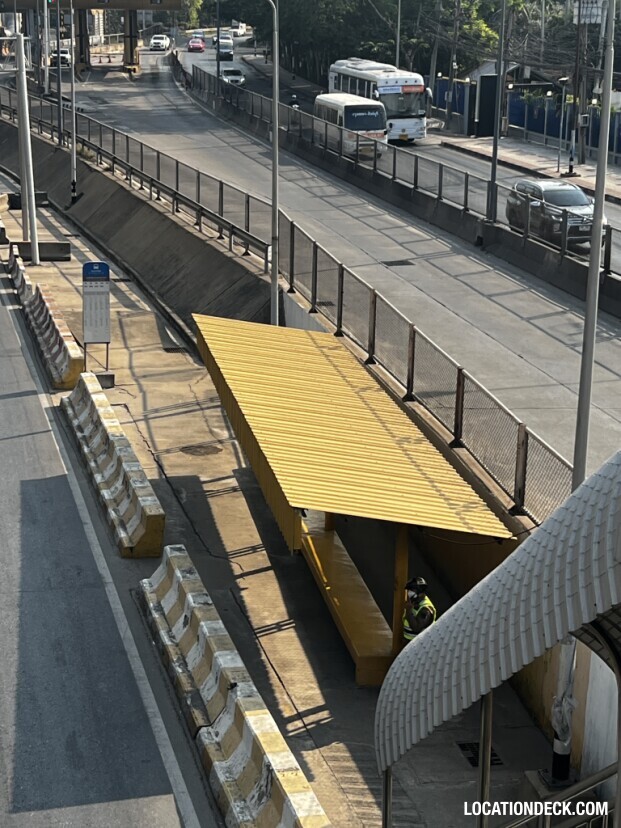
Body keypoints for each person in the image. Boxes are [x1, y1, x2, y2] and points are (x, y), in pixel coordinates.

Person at [402, 576, 436, 643]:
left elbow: (417, 628)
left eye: (411, 590)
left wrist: (409, 611)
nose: (408, 592)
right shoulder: (414, 602)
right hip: (409, 643)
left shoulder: (426, 609)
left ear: (419, 591)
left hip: (420, 645)